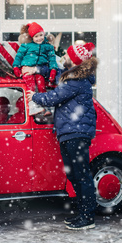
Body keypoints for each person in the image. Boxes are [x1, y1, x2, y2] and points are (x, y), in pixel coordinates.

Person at [26, 42, 98, 230]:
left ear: (73, 60)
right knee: (74, 174)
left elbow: (53, 97)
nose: (63, 56)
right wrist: (37, 68)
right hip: (70, 132)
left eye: (67, 54)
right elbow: (55, 69)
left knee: (81, 175)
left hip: (76, 132)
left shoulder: (75, 81)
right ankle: (83, 212)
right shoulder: (72, 77)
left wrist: (34, 96)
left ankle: (88, 216)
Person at [13, 22, 59, 115]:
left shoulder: (47, 46)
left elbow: (52, 59)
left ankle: (46, 107)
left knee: (41, 84)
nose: (39, 38)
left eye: (41, 35)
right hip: (26, 68)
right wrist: (16, 67)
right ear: (32, 38)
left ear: (44, 34)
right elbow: (18, 57)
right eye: (36, 36)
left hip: (40, 69)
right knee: (30, 85)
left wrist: (53, 69)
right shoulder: (26, 45)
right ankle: (32, 106)